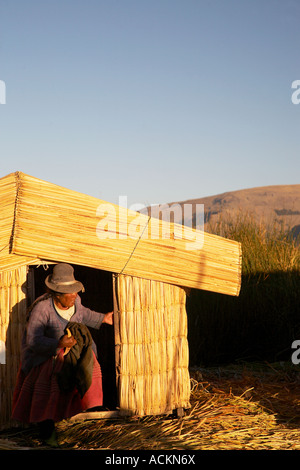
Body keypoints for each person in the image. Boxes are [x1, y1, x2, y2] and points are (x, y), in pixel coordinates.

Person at [12, 263, 113, 447]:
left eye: (75, 291)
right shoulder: (42, 310)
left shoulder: (76, 302)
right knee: (48, 392)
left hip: (68, 354)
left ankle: (74, 417)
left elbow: (84, 315)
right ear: (57, 294)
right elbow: (33, 341)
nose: (74, 295)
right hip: (44, 358)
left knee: (86, 369)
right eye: (70, 293)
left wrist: (103, 318)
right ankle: (47, 434)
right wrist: (58, 344)